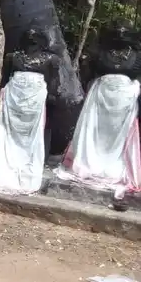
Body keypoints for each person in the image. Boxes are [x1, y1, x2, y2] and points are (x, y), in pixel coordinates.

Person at [55, 22, 141, 207]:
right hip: (100, 99)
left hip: (125, 101)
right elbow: (88, 75)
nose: (120, 35)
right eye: (117, 32)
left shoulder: (137, 56)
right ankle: (90, 164)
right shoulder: (99, 54)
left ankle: (113, 168)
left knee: (117, 139)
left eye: (124, 32)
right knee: (94, 134)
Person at [0, 28, 61, 194]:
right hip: (12, 101)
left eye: (35, 37)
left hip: (36, 103)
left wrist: (51, 99)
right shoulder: (12, 58)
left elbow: (53, 86)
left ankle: (28, 164)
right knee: (8, 134)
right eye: (28, 36)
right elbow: (4, 81)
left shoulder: (51, 60)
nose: (31, 39)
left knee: (33, 137)